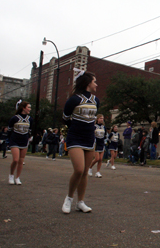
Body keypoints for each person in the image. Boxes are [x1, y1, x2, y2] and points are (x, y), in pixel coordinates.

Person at [61, 70, 99, 214]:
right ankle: (69, 198)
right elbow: (65, 118)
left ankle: (80, 202)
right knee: (78, 169)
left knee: (84, 173)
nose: (96, 84)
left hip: (89, 139)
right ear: (88, 83)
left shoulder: (96, 100)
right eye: (94, 81)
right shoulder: (74, 100)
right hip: (75, 138)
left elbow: (93, 118)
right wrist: (75, 128)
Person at [8, 101, 33, 185]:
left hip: (24, 140)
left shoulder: (30, 119)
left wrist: (29, 137)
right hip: (14, 140)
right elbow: (9, 129)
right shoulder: (14, 118)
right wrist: (9, 140)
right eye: (28, 107)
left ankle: (17, 177)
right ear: (23, 108)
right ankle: (11, 175)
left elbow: (30, 130)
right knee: (15, 160)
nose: (30, 109)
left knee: (21, 161)